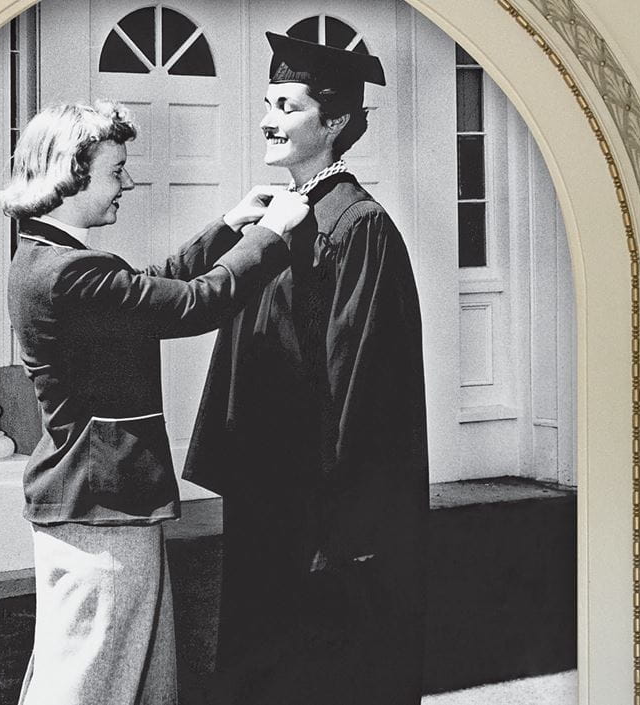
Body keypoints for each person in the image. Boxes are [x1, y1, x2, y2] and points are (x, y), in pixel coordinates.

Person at [0, 100, 309, 705]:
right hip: (103, 504)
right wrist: (271, 237)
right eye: (117, 171)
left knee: (111, 670)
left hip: (96, 500)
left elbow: (151, 287)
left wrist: (230, 224)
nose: (129, 183)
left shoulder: (51, 260)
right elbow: (194, 304)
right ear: (71, 173)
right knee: (92, 679)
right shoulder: (70, 274)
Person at [184, 33, 428, 705]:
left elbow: (364, 381)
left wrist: (345, 518)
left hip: (313, 494)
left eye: (287, 106)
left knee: (318, 661)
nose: (268, 118)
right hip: (265, 484)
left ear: (336, 123)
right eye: (268, 102)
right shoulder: (276, 215)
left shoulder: (357, 225)